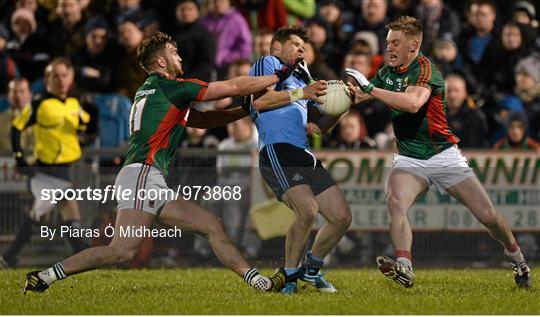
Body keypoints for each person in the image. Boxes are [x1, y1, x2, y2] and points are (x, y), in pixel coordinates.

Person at [23, 31, 301, 294]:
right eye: (173, 52)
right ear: (160, 62)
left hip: (143, 177)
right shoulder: (172, 88)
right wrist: (278, 75)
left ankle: (260, 284)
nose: (179, 56)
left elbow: (201, 120)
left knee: (211, 225)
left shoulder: (151, 92)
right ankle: (45, 276)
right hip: (143, 175)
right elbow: (234, 85)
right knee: (121, 251)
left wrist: (243, 110)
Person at [345, 16, 531, 288]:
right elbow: (362, 95)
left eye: (395, 43)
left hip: (443, 155)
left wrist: (371, 88)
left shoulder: (425, 69)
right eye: (388, 43)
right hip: (409, 157)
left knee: (489, 217)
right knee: (395, 202)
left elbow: (412, 102)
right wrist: (335, 94)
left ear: (414, 45)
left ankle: (517, 258)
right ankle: (405, 265)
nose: (389, 48)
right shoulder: (387, 72)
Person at [246, 25, 351, 294]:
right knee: (307, 210)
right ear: (276, 47)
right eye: (295, 45)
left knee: (341, 217)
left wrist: (344, 104)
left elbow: (320, 127)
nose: (301, 50)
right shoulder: (269, 63)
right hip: (277, 150)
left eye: (304, 47)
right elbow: (259, 102)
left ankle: (311, 269)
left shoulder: (303, 77)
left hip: (303, 153)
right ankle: (289, 278)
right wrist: (302, 93)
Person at [1, 58, 91, 269]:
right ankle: (85, 258)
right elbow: (16, 128)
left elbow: (84, 131)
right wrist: (19, 156)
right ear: (47, 80)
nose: (60, 80)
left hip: (62, 172)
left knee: (48, 217)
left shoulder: (73, 104)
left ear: (71, 79)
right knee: (61, 216)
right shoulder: (39, 104)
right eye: (55, 76)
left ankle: (9, 257)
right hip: (45, 173)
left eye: (64, 75)